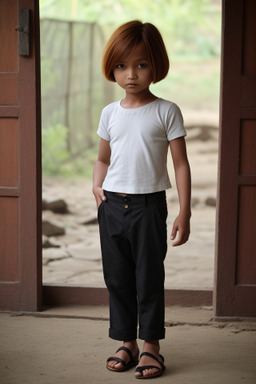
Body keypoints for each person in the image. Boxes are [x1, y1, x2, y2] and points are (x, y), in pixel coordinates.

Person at [93, 20, 191, 379]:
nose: (130, 74)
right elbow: (102, 158)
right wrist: (96, 185)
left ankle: (151, 345)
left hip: (149, 206)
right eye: (121, 66)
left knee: (148, 277)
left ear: (156, 65)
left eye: (141, 64)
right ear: (112, 69)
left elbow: (180, 164)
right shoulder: (109, 113)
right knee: (117, 277)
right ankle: (126, 342)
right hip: (112, 206)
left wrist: (185, 210)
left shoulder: (166, 111)